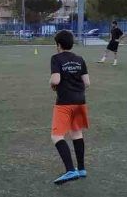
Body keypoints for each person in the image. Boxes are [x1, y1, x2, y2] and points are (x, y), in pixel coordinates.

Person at [49, 30, 90, 185]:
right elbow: (87, 83)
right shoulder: (79, 59)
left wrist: (51, 83)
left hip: (64, 102)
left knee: (56, 136)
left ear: (58, 45)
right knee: (76, 133)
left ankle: (70, 170)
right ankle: (81, 169)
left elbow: (56, 80)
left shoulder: (56, 58)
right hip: (80, 101)